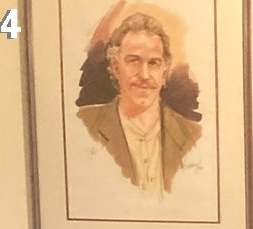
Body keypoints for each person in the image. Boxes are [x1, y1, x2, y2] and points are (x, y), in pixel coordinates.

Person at [74, 12, 202, 199]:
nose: (144, 74)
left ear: (164, 71)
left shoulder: (193, 135)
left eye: (154, 63)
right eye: (134, 61)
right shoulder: (84, 124)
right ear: (116, 67)